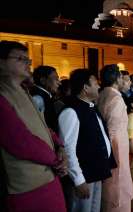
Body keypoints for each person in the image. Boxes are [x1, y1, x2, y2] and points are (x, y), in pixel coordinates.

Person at [0, 40, 66, 212]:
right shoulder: (3, 95)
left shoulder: (24, 91)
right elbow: (19, 141)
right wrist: (56, 159)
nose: (28, 63)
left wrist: (59, 146)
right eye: (20, 58)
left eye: (27, 59)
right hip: (28, 185)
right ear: (1, 62)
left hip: (49, 175)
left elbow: (44, 127)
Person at [58, 69, 116, 212]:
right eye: (95, 83)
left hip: (95, 171)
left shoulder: (91, 107)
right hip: (84, 175)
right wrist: (79, 180)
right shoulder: (71, 111)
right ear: (85, 87)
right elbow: (68, 149)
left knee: (94, 209)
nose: (98, 86)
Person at [97, 65, 133, 212]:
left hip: (110, 147)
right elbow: (112, 131)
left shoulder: (102, 94)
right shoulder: (116, 98)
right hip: (116, 148)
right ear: (117, 79)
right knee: (118, 186)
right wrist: (113, 156)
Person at [31, 65, 61, 132]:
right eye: (56, 79)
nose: (59, 83)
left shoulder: (46, 96)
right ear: (43, 81)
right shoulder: (38, 98)